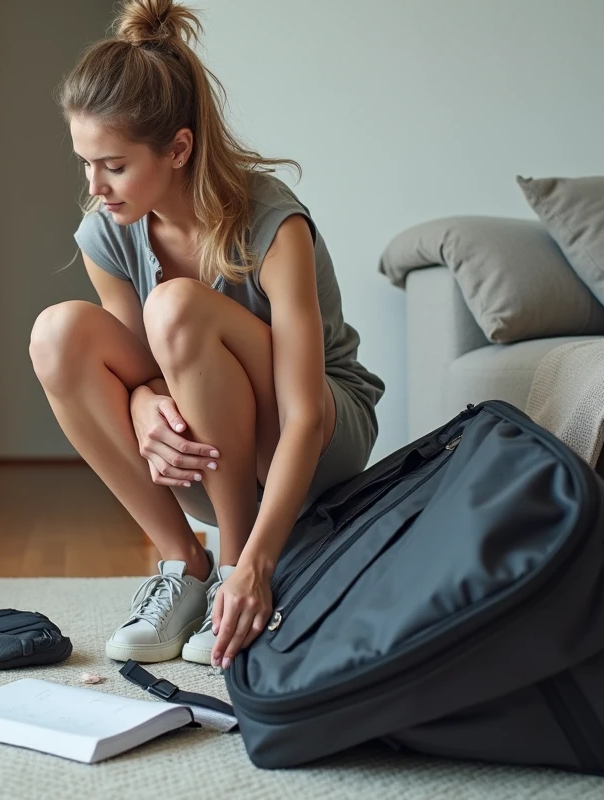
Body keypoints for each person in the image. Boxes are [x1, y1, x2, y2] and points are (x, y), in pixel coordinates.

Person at [30, 0, 384, 670]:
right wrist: (139, 406)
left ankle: (230, 567)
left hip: (314, 443)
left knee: (176, 308)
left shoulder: (272, 220)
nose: (95, 187)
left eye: (113, 165)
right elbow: (144, 374)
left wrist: (257, 564)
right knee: (58, 331)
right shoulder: (105, 232)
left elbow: (306, 413)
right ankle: (183, 564)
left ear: (178, 148)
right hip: (204, 451)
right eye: (85, 163)